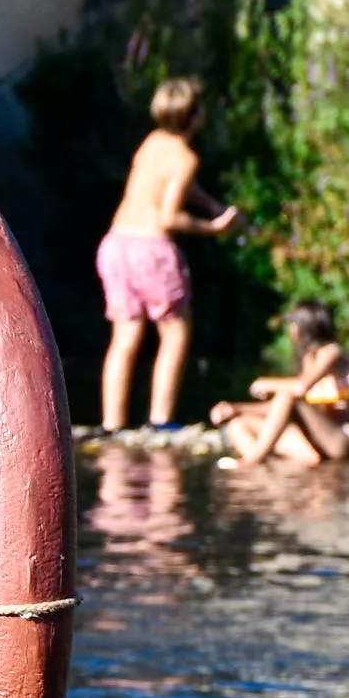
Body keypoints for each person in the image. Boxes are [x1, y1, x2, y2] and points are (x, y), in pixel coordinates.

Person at [97, 78, 243, 432]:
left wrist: (207, 202)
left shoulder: (152, 143)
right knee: (175, 332)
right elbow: (169, 216)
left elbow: (162, 184)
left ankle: (112, 424)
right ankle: (161, 419)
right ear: (195, 117)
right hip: (152, 250)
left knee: (125, 336)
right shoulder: (186, 157)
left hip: (116, 244)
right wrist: (216, 227)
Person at [211, 299, 349, 467]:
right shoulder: (308, 360)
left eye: (292, 324)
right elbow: (281, 407)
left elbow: (300, 388)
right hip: (315, 445)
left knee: (287, 394)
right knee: (238, 425)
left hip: (341, 441)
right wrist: (235, 409)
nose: (290, 330)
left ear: (305, 327)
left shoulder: (332, 352)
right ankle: (262, 473)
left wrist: (266, 384)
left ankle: (252, 461)